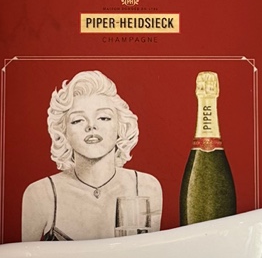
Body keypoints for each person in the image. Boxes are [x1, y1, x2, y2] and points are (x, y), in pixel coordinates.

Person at [20, 70, 163, 241]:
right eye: (77, 120)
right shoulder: (41, 194)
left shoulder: (147, 187)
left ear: (121, 126)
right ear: (63, 132)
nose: (91, 126)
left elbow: (151, 254)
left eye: (103, 118)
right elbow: (25, 257)